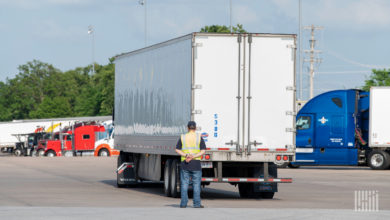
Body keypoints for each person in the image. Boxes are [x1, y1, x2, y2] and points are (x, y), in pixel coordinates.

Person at [175, 121, 206, 208]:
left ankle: (183, 204)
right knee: (196, 185)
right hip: (196, 164)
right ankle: (196, 204)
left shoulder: (183, 137)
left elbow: (177, 149)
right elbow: (203, 150)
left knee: (184, 184)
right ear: (195, 128)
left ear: (188, 128)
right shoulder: (199, 137)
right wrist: (194, 156)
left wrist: (186, 155)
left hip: (185, 164)